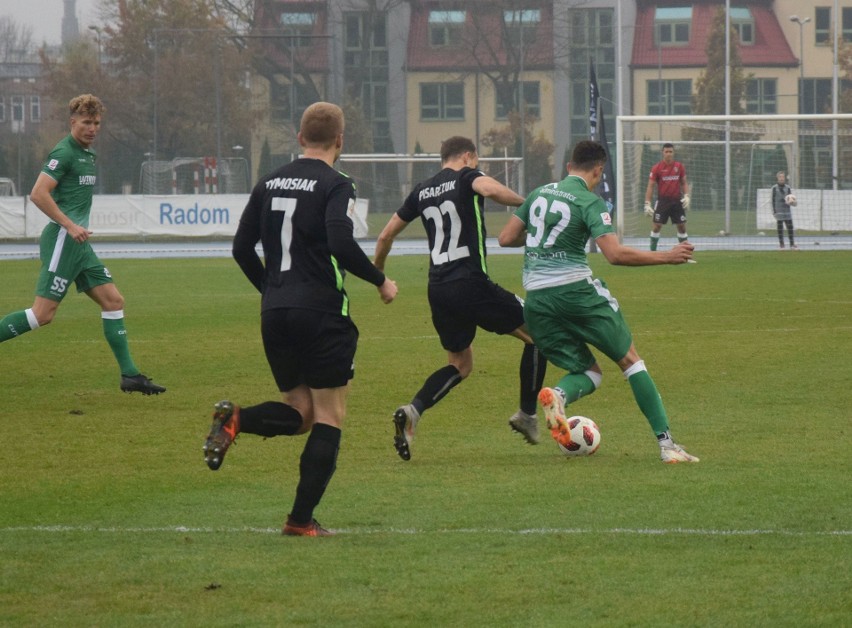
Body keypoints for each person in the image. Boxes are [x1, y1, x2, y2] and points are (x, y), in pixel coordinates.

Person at [202, 102, 398, 537]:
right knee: (330, 414)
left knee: (302, 411)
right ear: (340, 142)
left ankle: (237, 419)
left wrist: (271, 290)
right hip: (322, 312)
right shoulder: (337, 183)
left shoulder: (268, 181)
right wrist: (380, 280)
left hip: (275, 313)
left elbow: (240, 248)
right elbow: (340, 242)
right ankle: (299, 521)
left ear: (299, 137)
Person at [498, 140, 699, 463]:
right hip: (576, 293)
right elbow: (615, 255)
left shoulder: (538, 194)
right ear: (598, 171)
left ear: (568, 167)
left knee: (589, 372)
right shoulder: (590, 202)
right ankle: (667, 446)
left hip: (536, 299)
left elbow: (505, 238)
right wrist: (667, 256)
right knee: (632, 362)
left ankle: (559, 396)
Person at [374, 136, 546, 461]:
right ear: (468, 156)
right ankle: (526, 414)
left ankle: (413, 411)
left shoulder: (422, 189)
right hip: (470, 283)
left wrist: (380, 275)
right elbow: (493, 190)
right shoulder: (467, 176)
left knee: (460, 365)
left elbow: (385, 235)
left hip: (438, 288)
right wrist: (529, 205)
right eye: (477, 162)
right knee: (541, 335)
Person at [0, 94, 165, 395]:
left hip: (79, 244)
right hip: (65, 239)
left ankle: (130, 376)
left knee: (113, 301)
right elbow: (38, 194)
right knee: (42, 315)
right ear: (72, 122)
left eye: (97, 123)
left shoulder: (89, 155)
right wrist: (69, 224)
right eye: (86, 122)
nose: (92, 128)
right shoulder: (63, 153)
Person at [644, 142, 690, 251]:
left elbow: (684, 183)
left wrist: (687, 195)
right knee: (656, 226)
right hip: (662, 201)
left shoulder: (679, 167)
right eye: (666, 152)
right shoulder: (656, 168)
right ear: (662, 153)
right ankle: (653, 253)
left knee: (682, 227)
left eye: (670, 152)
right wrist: (647, 203)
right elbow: (650, 186)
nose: (668, 154)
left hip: (676, 201)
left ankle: (685, 254)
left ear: (673, 153)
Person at [771, 171, 798, 250]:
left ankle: (792, 245)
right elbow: (772, 200)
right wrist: (774, 211)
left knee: (790, 228)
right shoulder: (774, 188)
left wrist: (793, 202)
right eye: (780, 177)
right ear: (777, 178)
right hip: (779, 212)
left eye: (783, 177)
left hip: (787, 211)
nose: (782, 178)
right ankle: (781, 245)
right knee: (780, 229)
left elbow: (791, 198)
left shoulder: (788, 188)